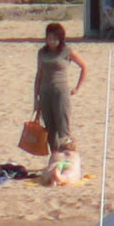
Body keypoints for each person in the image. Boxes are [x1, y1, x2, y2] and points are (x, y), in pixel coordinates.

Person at [32, 22, 87, 154]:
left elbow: (84, 67)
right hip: (45, 92)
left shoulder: (66, 51)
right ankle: (55, 155)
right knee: (50, 129)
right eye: (49, 38)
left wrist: (77, 88)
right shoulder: (42, 52)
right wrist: (35, 99)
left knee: (63, 126)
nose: (51, 42)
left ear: (60, 39)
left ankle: (66, 155)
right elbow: (39, 75)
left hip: (61, 92)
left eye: (55, 39)